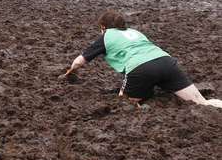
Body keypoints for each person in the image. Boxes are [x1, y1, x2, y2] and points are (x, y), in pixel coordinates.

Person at [60, 10, 222, 108]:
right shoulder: (135, 32)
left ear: (103, 27)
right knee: (201, 102)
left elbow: (79, 61)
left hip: (140, 69)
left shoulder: (106, 36)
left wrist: (69, 72)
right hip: (166, 62)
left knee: (123, 104)